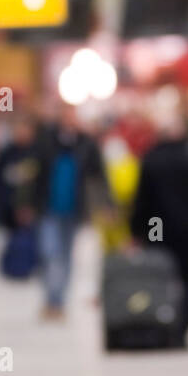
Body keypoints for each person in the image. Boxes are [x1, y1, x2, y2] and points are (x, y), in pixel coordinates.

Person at [129, 111, 188, 346]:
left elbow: (141, 199)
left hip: (157, 227)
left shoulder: (151, 158)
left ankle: (161, 324)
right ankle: (183, 329)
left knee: (159, 277)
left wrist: (136, 230)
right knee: (187, 280)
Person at [33, 102, 113, 321]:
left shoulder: (86, 144)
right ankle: (51, 297)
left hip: (74, 209)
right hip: (48, 208)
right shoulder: (46, 140)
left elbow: (99, 175)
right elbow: (35, 174)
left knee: (65, 256)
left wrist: (107, 204)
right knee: (50, 253)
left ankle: (57, 302)